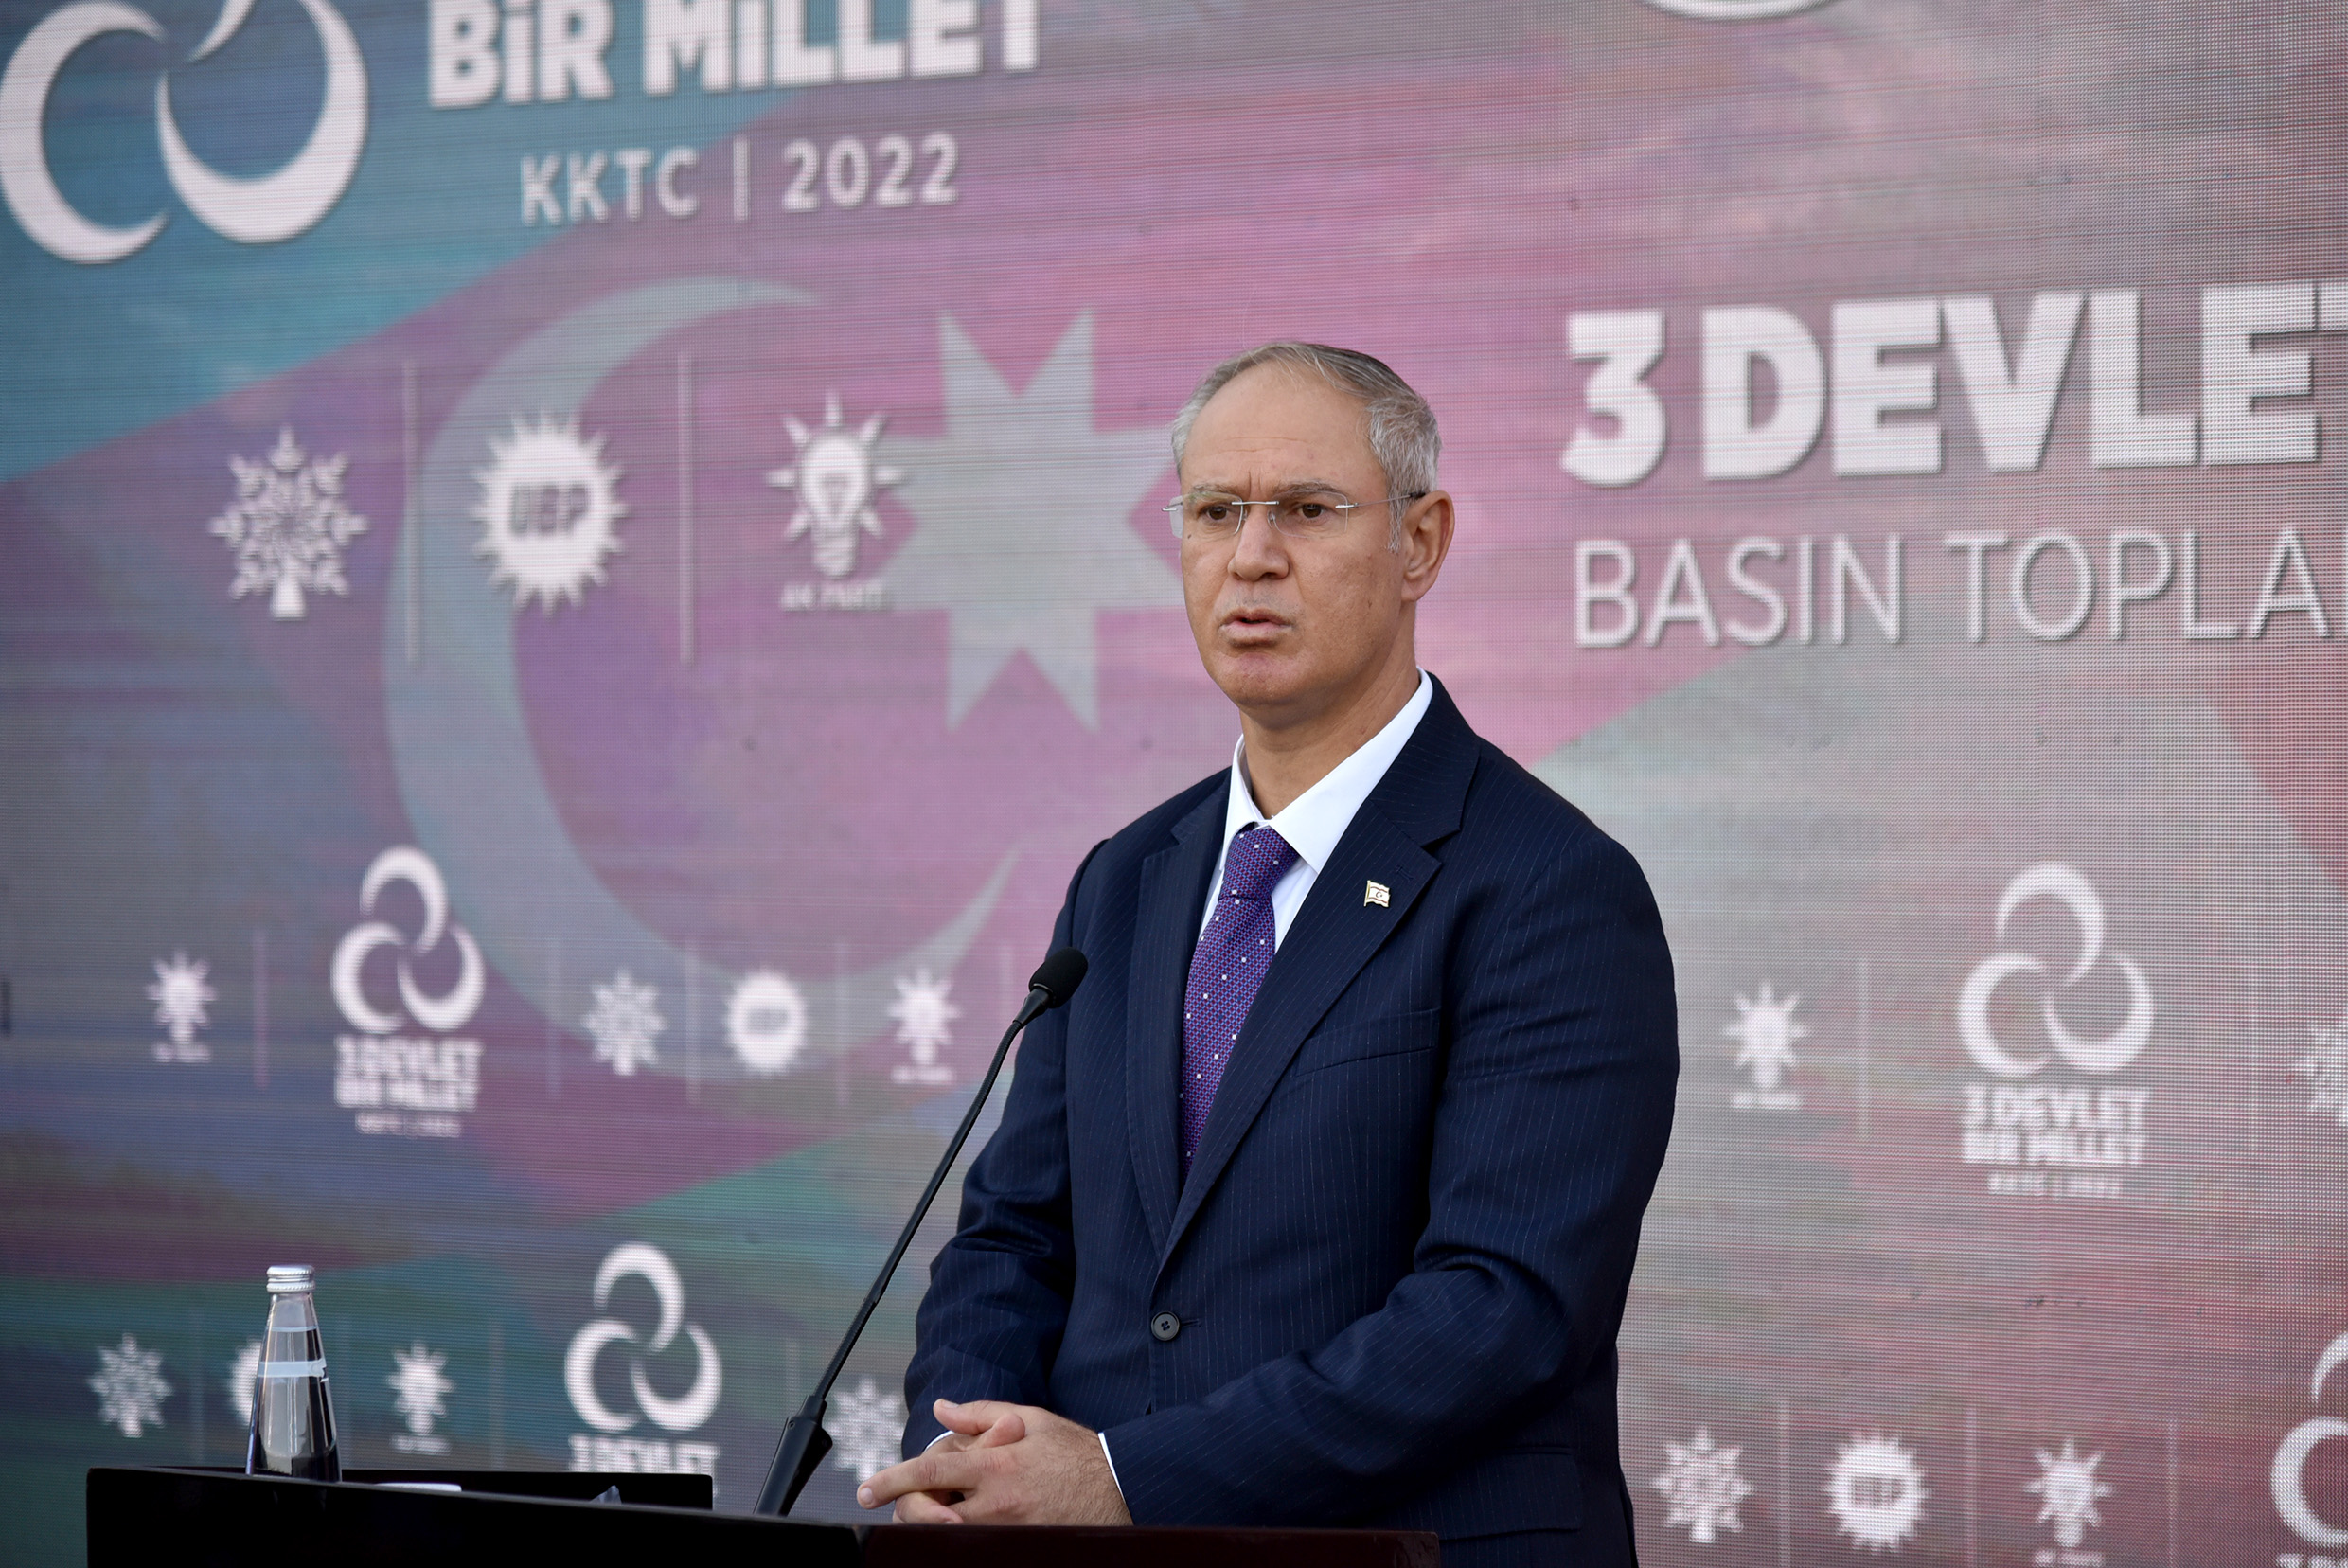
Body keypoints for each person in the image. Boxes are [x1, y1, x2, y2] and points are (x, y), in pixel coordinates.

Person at [859, 342, 1679, 1565]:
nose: (1251, 556)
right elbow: (1011, 1240)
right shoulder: (1124, 880)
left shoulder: (1549, 889)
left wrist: (1128, 1481)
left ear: (1420, 544)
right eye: (1214, 512)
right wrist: (964, 1457)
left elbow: (1501, 1310)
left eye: (1306, 509)